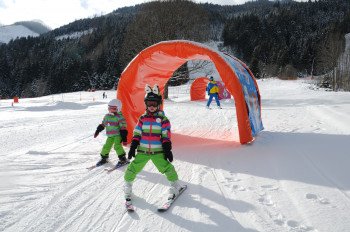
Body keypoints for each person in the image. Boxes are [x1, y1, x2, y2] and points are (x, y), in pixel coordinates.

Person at [123, 84, 182, 204]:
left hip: (157, 151)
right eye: (149, 103)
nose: (151, 106)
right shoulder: (142, 118)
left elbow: (166, 135)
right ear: (146, 104)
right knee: (132, 168)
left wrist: (167, 149)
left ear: (158, 104)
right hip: (143, 151)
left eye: (154, 104)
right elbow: (137, 132)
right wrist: (133, 146)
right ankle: (127, 187)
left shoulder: (163, 119)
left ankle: (175, 186)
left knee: (167, 168)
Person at [94, 99, 128, 167]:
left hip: (117, 135)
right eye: (110, 108)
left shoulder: (120, 117)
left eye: (114, 109)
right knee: (106, 146)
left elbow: (123, 128)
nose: (111, 110)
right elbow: (103, 124)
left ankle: (123, 158)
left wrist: (124, 138)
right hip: (110, 135)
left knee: (117, 146)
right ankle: (104, 158)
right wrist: (98, 130)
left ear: (118, 109)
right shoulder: (107, 116)